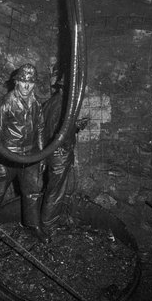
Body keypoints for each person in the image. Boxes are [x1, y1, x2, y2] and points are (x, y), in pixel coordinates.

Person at [0, 63, 48, 242]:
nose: (27, 86)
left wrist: (41, 156)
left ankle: (33, 224)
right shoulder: (5, 103)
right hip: (9, 156)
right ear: (16, 82)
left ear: (34, 84)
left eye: (31, 82)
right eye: (23, 81)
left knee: (32, 191)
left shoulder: (36, 104)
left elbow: (40, 129)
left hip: (30, 156)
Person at [40, 65, 89, 231]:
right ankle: (48, 226)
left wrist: (75, 126)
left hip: (53, 152)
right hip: (59, 154)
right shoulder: (62, 106)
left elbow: (58, 128)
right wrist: (63, 149)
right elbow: (57, 133)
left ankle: (50, 221)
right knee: (55, 193)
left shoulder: (52, 102)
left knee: (54, 190)